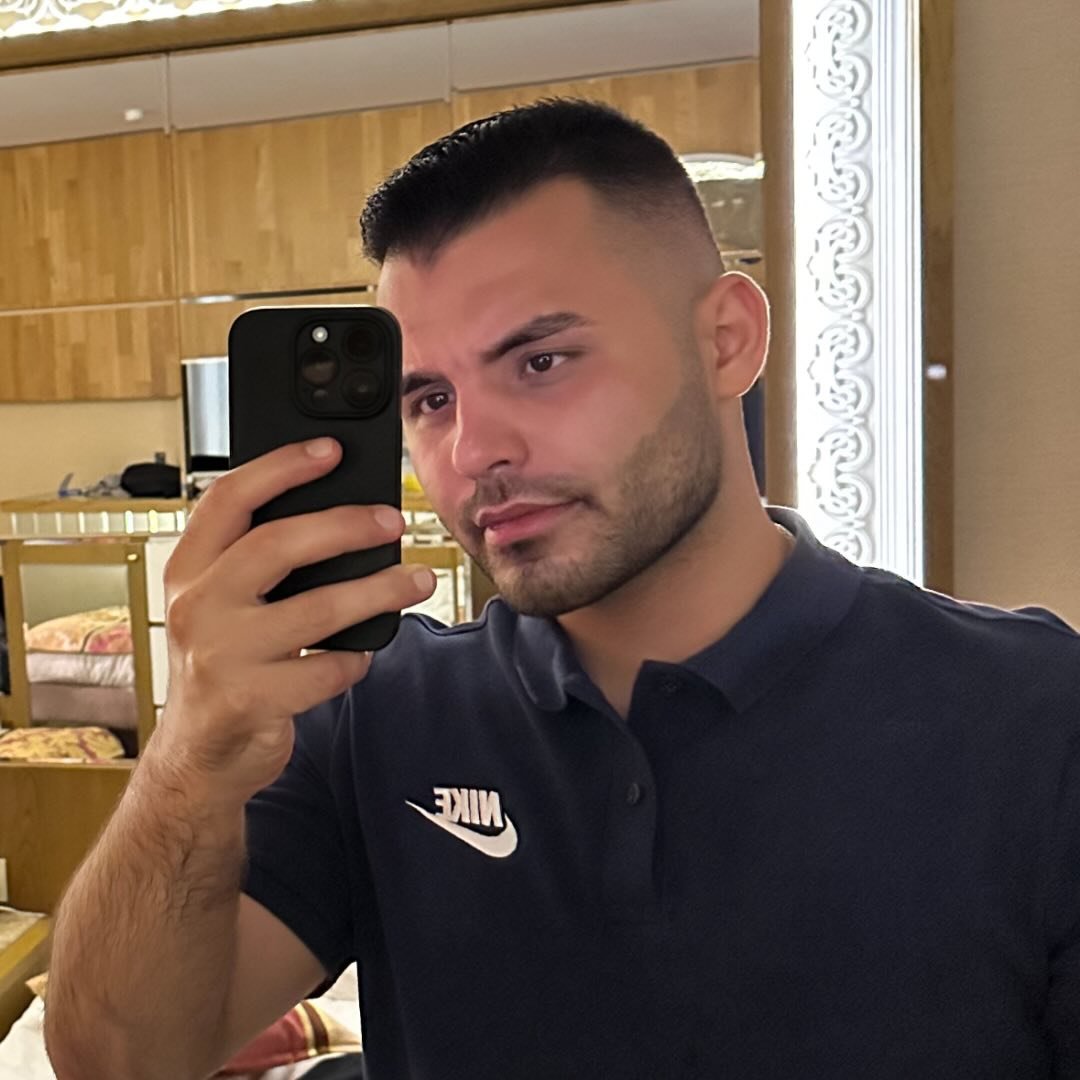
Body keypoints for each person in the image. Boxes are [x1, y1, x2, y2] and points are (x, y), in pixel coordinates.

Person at [44, 100, 1080, 1080]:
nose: (473, 451)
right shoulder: (372, 714)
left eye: (540, 361)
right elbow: (118, 1060)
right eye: (430, 399)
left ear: (727, 341)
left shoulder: (1035, 719)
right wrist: (189, 761)